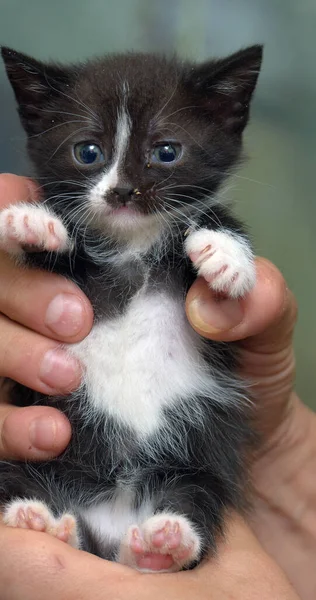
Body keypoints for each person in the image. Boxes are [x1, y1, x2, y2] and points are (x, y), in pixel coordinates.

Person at [0, 173, 314, 600]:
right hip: (71, 465)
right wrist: (36, 241)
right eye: (90, 154)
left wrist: (228, 256)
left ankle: (159, 540)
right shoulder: (75, 226)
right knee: (25, 476)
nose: (124, 183)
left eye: (166, 155)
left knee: (196, 491)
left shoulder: (197, 229)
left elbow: (232, 262)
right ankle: (67, 525)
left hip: (173, 472)